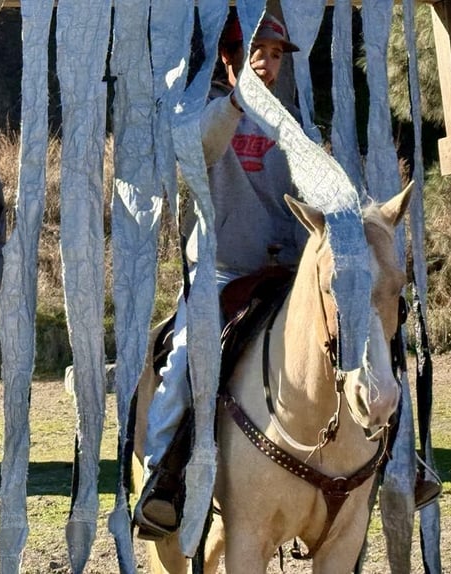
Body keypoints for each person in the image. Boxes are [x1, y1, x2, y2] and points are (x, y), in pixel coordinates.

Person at [133, 11, 305, 540]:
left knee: (373, 338)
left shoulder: (295, 123)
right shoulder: (199, 111)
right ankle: (164, 478)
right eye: (257, 53)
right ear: (228, 57)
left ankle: (398, 461)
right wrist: (236, 103)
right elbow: (195, 152)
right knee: (187, 359)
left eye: (276, 56)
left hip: (293, 275)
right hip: (223, 272)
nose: (268, 65)